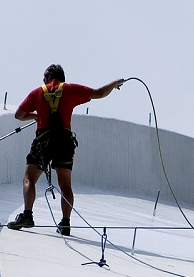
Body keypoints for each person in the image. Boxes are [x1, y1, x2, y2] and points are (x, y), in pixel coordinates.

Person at [7, 65, 125, 235]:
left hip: (43, 141)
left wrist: (35, 116)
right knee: (65, 185)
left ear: (48, 77)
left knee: (29, 178)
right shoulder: (70, 89)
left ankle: (27, 215)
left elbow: (19, 115)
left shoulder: (37, 93)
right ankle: (65, 223)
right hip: (64, 142)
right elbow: (99, 93)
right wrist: (114, 83)